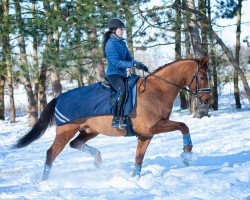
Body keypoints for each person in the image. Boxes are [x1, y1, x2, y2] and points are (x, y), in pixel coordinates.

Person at [103, 18, 148, 129]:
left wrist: (139, 64)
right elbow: (116, 62)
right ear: (114, 30)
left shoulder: (122, 43)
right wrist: (132, 65)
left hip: (122, 74)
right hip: (113, 74)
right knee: (122, 90)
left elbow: (129, 58)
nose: (123, 31)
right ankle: (116, 118)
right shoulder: (110, 44)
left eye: (123, 29)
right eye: (121, 29)